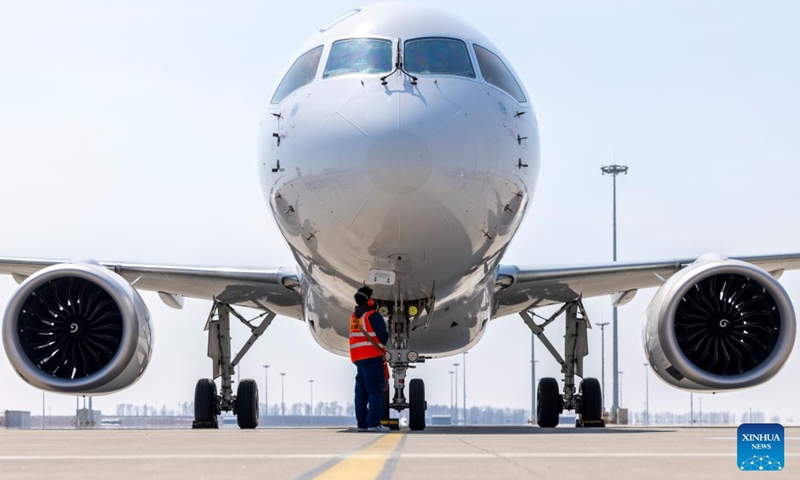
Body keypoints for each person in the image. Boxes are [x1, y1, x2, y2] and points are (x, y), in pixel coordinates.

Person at [349, 286, 390, 432]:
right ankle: (373, 423)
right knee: (375, 391)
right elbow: (383, 337)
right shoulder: (372, 315)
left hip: (358, 358)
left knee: (361, 392)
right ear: (370, 301)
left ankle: (362, 424)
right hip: (372, 356)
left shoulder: (354, 317)